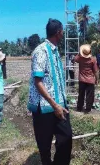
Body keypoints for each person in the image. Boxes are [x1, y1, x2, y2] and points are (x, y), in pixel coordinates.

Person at [27, 19, 72, 165]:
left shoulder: (55, 50)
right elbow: (38, 82)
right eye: (62, 30)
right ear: (58, 32)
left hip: (59, 104)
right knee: (44, 144)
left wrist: (61, 103)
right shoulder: (41, 51)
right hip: (45, 107)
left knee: (66, 138)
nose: (63, 33)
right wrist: (55, 105)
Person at [74, 44, 99, 113]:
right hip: (90, 80)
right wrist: (97, 79)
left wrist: (79, 53)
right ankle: (88, 109)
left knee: (81, 94)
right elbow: (96, 71)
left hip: (82, 79)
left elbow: (74, 59)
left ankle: (79, 108)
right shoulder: (93, 60)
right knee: (90, 96)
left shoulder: (80, 58)